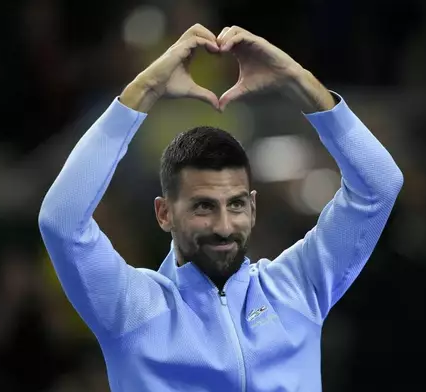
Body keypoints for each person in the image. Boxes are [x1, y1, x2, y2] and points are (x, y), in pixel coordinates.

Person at [38, 24, 403, 392]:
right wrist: (145, 90)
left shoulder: (296, 288)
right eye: (203, 207)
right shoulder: (133, 310)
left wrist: (298, 81)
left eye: (236, 204)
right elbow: (62, 220)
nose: (225, 226)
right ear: (164, 213)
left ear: (253, 207)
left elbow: (379, 185)